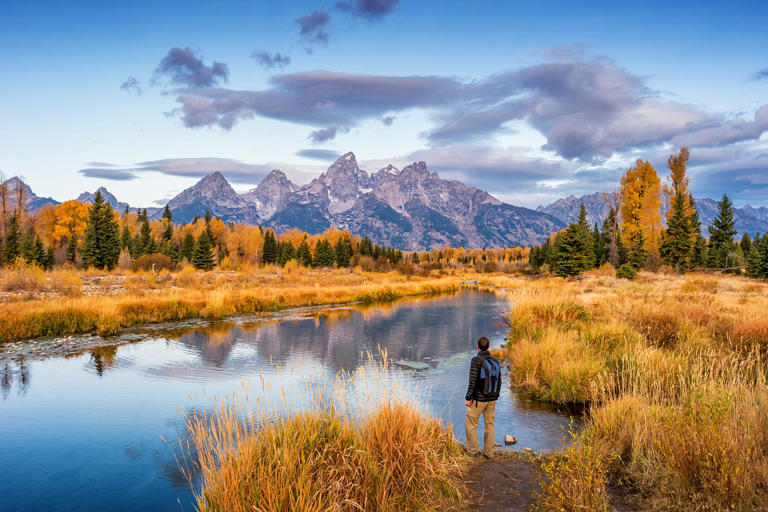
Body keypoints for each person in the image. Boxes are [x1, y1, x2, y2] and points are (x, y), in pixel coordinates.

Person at [464, 336, 502, 458]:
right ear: (488, 346)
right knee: (489, 424)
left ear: (478, 346)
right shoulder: (495, 361)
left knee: (470, 423)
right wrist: (496, 396)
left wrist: (468, 398)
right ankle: (489, 453)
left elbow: (473, 381)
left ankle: (473, 452)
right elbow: (499, 381)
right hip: (493, 398)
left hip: (479, 399)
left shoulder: (476, 360)